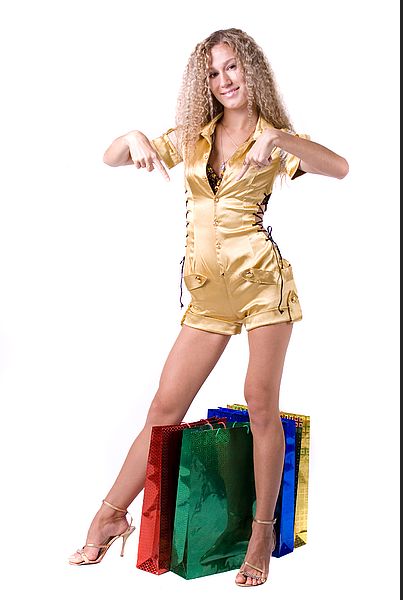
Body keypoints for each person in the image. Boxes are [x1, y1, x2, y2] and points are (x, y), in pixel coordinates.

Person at [68, 27, 348, 586]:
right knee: (163, 409)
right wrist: (134, 136)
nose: (225, 81)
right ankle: (110, 515)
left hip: (263, 286)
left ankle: (261, 532)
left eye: (233, 68)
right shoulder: (194, 138)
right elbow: (109, 158)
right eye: (215, 73)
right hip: (206, 295)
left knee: (260, 404)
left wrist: (284, 143)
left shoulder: (273, 137)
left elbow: (339, 167)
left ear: (252, 71)